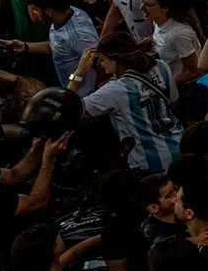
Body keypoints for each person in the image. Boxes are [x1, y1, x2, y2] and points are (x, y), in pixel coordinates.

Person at [70, 32, 181, 171]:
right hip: (178, 144)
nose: (99, 64)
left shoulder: (115, 90)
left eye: (103, 59)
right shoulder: (161, 66)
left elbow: (70, 108)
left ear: (116, 59)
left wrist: (78, 73)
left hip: (149, 160)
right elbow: (174, 102)